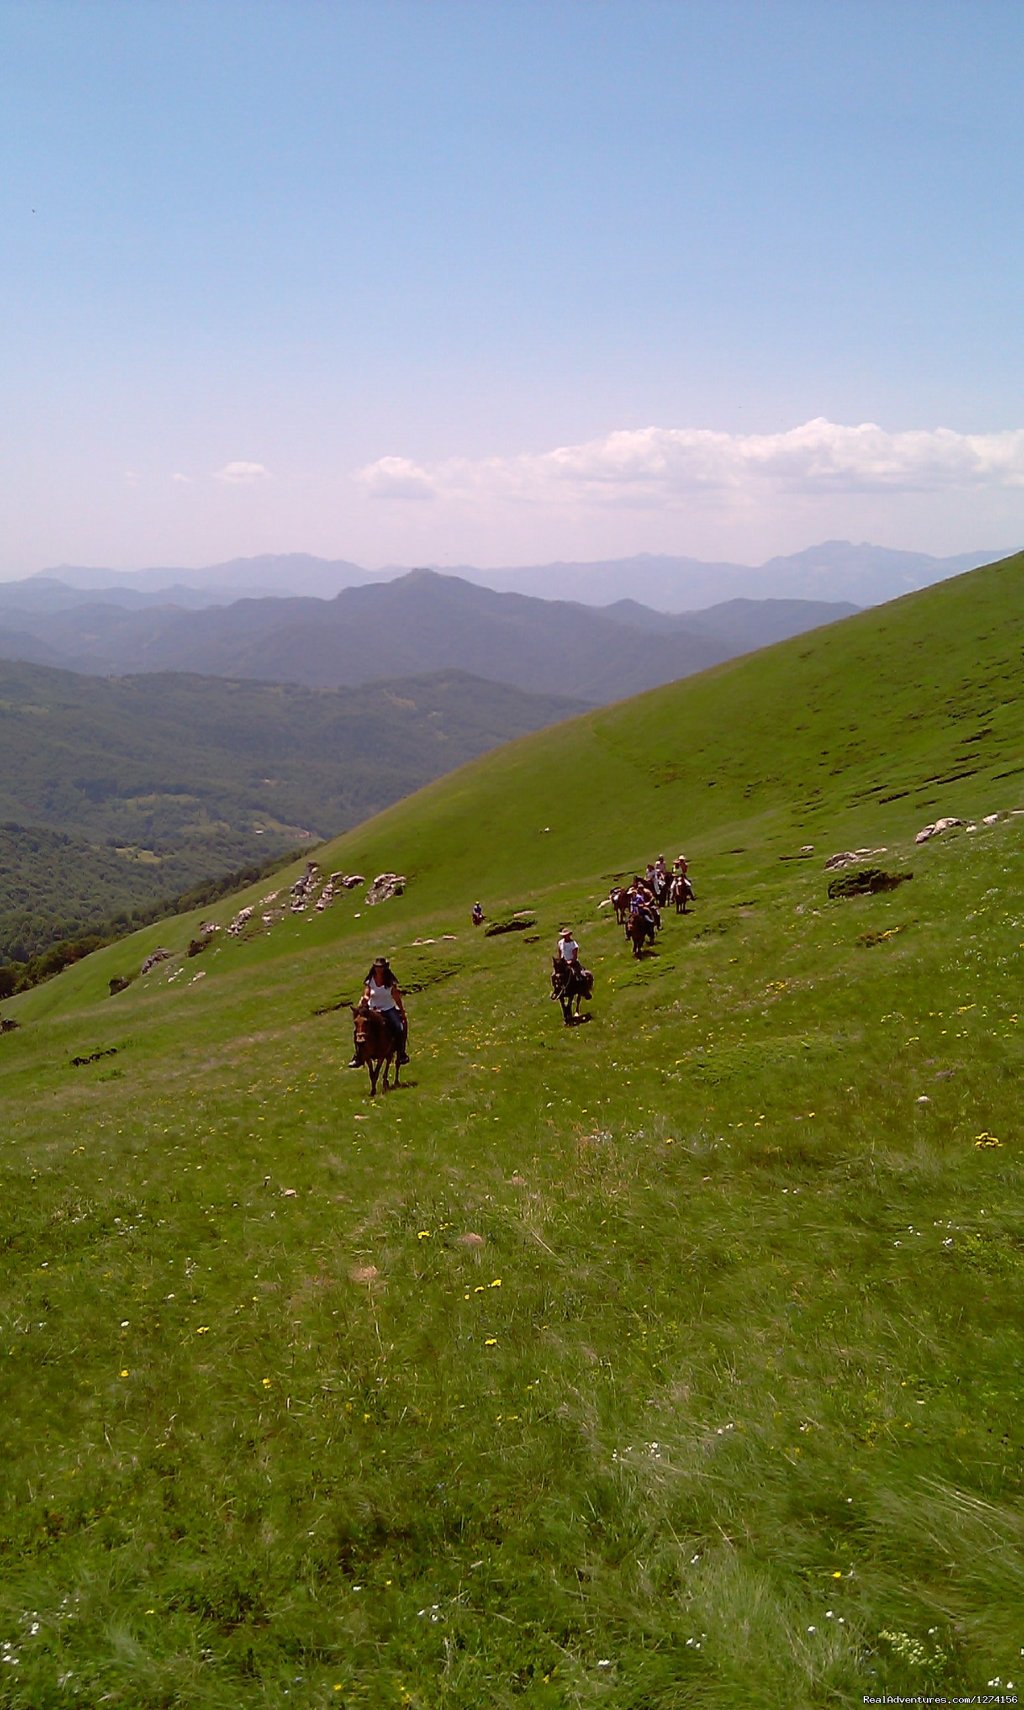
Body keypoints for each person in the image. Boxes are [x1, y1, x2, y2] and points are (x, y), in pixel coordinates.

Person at [348, 955, 409, 1067]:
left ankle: (401, 1053)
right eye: (377, 967)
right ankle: (358, 1056)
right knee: (358, 1030)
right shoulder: (370, 980)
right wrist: (363, 1001)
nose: (379, 969)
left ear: (385, 968)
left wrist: (401, 1010)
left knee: (399, 1027)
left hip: (388, 1009)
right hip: (373, 1009)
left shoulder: (390, 981)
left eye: (381, 967)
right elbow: (367, 994)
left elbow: (396, 997)